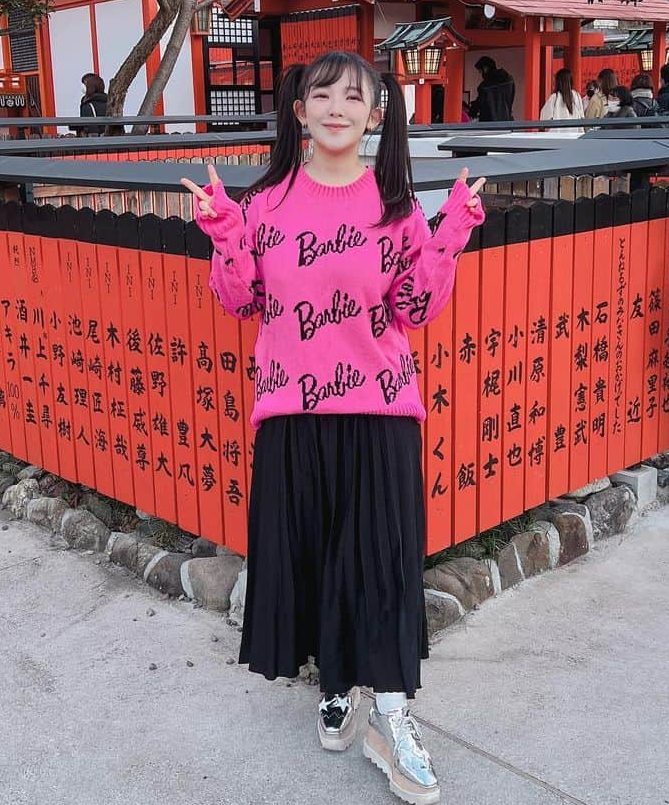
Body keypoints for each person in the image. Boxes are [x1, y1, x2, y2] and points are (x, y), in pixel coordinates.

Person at [182, 52, 484, 805]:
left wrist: (449, 234)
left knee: (380, 563)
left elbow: (416, 309)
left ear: (377, 115)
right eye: (324, 93)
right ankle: (336, 684)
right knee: (314, 557)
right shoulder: (266, 204)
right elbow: (240, 300)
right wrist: (224, 231)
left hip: (381, 410)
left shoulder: (395, 204)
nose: (339, 107)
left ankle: (390, 713)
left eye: (357, 96)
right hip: (291, 411)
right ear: (298, 110)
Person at [468, 56, 514, 122]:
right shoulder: (509, 79)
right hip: (506, 120)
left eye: (480, 71)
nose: (480, 74)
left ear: (485, 68)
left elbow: (480, 103)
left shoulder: (485, 86)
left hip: (489, 123)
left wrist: (472, 111)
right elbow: (511, 98)